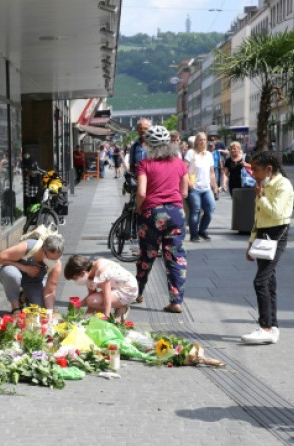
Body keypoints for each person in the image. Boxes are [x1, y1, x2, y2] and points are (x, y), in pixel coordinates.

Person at [241, 152, 294, 344]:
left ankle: (264, 326)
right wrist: (251, 242)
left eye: (256, 169)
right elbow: (258, 217)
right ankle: (273, 327)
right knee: (269, 281)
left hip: (277, 233)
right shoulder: (262, 184)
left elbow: (275, 212)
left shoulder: (283, 185)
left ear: (269, 169)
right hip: (263, 234)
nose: (253, 173)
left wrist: (261, 197)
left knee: (260, 281)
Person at [134, 125, 189, 313]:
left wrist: (138, 208)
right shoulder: (180, 164)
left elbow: (141, 192)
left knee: (147, 254)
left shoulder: (144, 164)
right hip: (175, 213)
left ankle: (138, 292)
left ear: (148, 145)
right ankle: (176, 301)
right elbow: (184, 191)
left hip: (152, 213)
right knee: (175, 256)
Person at [0, 233, 65, 312]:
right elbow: (1, 258)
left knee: (39, 310)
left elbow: (50, 291)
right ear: (42, 250)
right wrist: (25, 268)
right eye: (51, 259)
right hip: (13, 271)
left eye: (56, 259)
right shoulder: (29, 246)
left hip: (33, 282)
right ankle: (15, 308)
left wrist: (49, 312)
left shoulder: (56, 264)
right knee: (12, 275)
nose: (53, 262)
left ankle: (23, 297)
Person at [63, 255, 137, 320]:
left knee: (92, 301)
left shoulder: (101, 272)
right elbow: (92, 295)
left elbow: (106, 296)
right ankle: (99, 315)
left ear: (83, 273)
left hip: (127, 290)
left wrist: (106, 315)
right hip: (115, 288)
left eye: (74, 278)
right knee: (91, 301)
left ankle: (121, 308)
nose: (75, 281)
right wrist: (80, 309)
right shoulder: (88, 274)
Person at [184, 132, 217, 241]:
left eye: (204, 140)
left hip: (206, 188)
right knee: (196, 210)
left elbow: (212, 172)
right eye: (200, 140)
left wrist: (215, 187)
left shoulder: (209, 155)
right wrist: (188, 181)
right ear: (196, 142)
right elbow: (184, 169)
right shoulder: (190, 153)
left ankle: (202, 230)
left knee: (210, 208)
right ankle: (194, 235)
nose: (202, 142)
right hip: (194, 188)